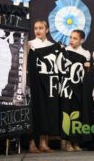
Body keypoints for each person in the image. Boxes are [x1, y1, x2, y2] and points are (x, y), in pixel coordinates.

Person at [61, 29, 93, 151]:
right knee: (67, 112)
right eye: (71, 37)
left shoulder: (86, 53)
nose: (72, 40)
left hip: (79, 87)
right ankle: (67, 142)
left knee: (78, 113)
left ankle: (76, 142)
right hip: (67, 87)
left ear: (81, 40)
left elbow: (86, 73)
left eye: (75, 38)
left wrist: (88, 68)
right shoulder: (65, 51)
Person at [28, 20, 54, 153]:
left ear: (47, 30)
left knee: (46, 111)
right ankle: (32, 143)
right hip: (33, 81)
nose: (38, 30)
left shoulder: (52, 46)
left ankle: (44, 143)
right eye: (35, 28)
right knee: (33, 111)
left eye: (41, 28)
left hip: (47, 82)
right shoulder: (30, 45)